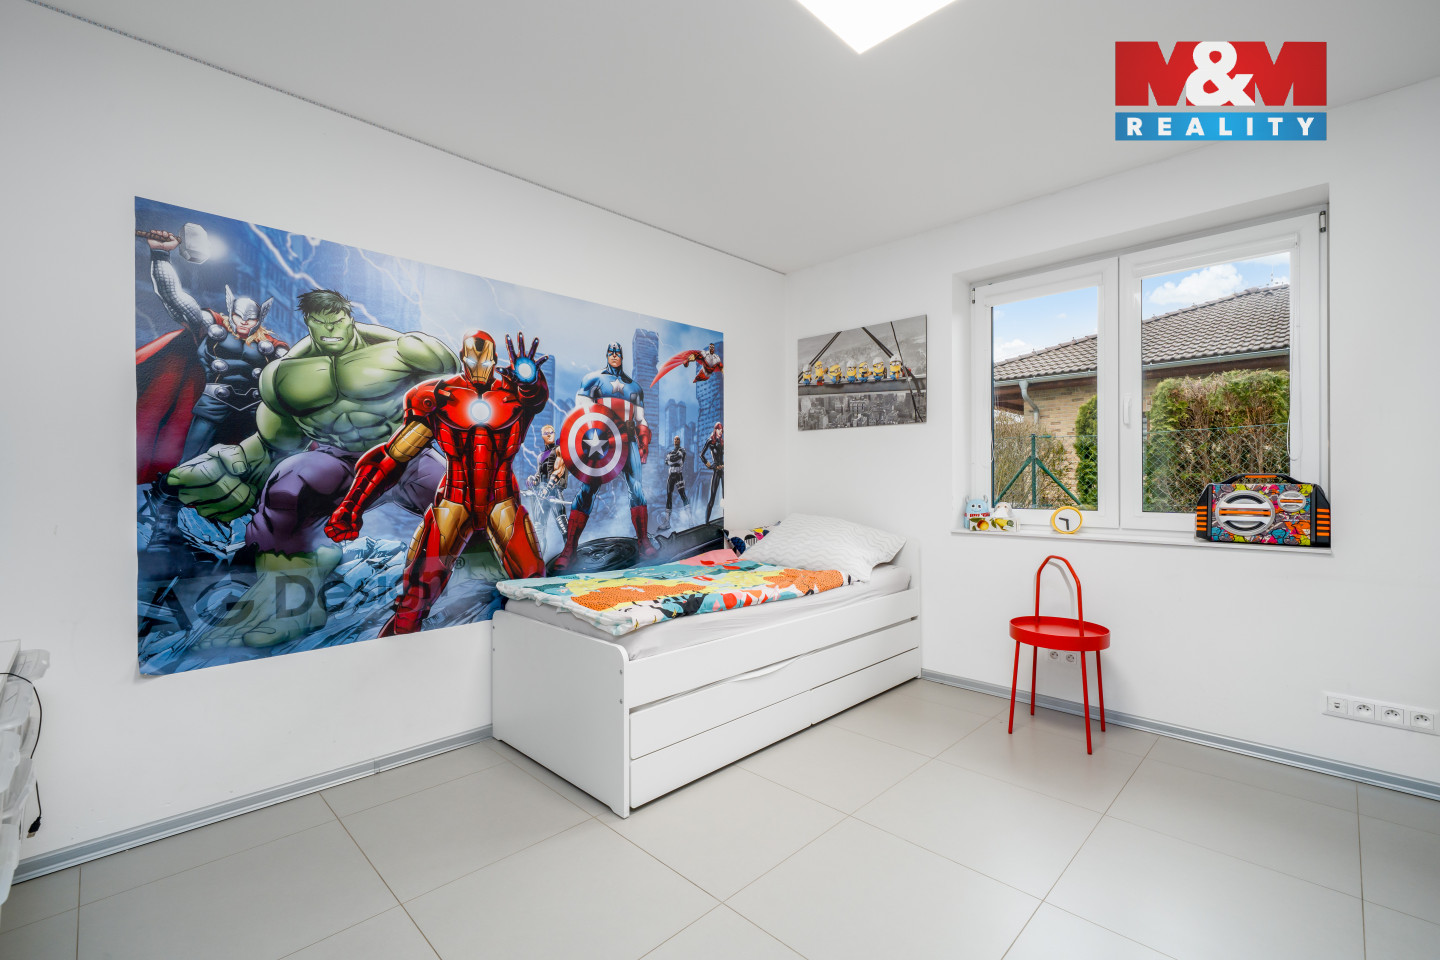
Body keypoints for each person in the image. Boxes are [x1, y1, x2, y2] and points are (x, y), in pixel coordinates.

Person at [166, 289, 458, 647]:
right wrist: (242, 462)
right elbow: (277, 440)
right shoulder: (283, 376)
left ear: (348, 317)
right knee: (288, 486)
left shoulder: (406, 351)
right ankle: (290, 607)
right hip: (339, 461)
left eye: (337, 321)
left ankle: (490, 569)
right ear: (309, 323)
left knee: (467, 494)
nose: (330, 331)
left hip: (405, 456)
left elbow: (453, 382)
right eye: (320, 324)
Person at [326, 331, 549, 635]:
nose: (479, 368)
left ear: (495, 360)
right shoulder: (439, 396)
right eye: (472, 361)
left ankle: (540, 645)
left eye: (486, 362)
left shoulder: (515, 395)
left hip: (501, 500)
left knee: (534, 584)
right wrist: (352, 505)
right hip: (455, 499)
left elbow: (535, 397)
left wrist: (530, 381)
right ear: (463, 359)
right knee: (416, 596)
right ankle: (396, 650)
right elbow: (393, 456)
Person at [552, 342, 653, 570]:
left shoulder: (634, 387)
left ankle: (643, 542)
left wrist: (644, 434)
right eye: (611, 352)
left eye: (618, 353)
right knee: (587, 490)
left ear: (622, 356)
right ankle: (570, 549)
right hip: (602, 441)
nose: (615, 355)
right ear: (607, 355)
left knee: (637, 489)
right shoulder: (593, 380)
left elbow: (640, 418)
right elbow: (583, 413)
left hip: (628, 440)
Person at [701, 421, 724, 523]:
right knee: (712, 497)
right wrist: (709, 465)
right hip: (716, 471)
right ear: (715, 430)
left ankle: (725, 521)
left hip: (723, 471)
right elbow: (701, 455)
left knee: (725, 498)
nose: (720, 431)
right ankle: (706, 522)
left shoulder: (721, 441)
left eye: (722, 430)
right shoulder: (710, 440)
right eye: (719, 429)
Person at [665, 435, 689, 511]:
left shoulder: (682, 450)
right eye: (675, 439)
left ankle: (689, 515)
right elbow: (666, 462)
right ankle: (667, 517)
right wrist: (674, 460)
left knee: (682, 494)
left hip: (678, 475)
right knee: (669, 495)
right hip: (671, 475)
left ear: (680, 441)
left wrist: (670, 458)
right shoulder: (671, 452)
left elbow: (676, 458)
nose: (676, 440)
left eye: (677, 439)